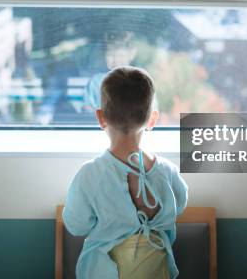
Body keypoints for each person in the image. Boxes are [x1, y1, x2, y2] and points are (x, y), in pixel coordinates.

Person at [63, 66, 188, 279]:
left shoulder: (90, 175)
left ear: (100, 117)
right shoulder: (167, 172)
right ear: (152, 119)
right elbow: (181, 203)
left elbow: (76, 225)